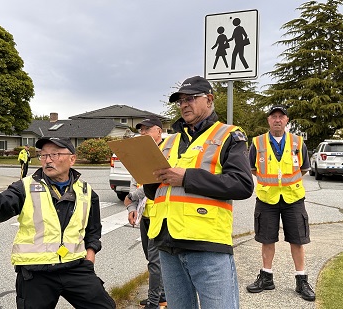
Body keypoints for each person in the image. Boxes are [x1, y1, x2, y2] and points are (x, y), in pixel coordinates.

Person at [0, 137, 116, 309]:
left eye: (55, 154)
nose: (47, 160)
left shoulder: (86, 190)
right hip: (36, 273)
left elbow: (93, 229)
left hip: (75, 268)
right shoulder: (24, 187)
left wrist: (90, 253)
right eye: (43, 155)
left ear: (72, 159)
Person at [143, 76, 253, 309]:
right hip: (167, 242)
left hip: (206, 244)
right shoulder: (168, 141)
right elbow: (155, 193)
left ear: (209, 99)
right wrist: (146, 176)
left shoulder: (228, 135)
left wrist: (187, 178)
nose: (184, 104)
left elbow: (242, 184)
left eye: (191, 98)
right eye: (180, 100)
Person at [246, 105, 316, 302]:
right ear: (268, 120)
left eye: (281, 117)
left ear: (287, 121)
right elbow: (252, 168)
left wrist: (287, 182)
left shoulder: (297, 142)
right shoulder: (257, 143)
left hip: (293, 198)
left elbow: (304, 168)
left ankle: (301, 280)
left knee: (298, 239)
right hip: (267, 198)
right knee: (267, 239)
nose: (277, 120)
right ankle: (266, 277)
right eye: (273, 117)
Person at [124, 117, 166, 309]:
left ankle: (154, 301)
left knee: (156, 262)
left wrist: (132, 196)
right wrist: (132, 208)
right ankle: (163, 294)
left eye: (147, 130)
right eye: (141, 130)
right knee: (151, 259)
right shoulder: (141, 155)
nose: (143, 134)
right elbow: (135, 184)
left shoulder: (168, 152)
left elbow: (155, 183)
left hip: (162, 215)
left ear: (159, 131)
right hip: (145, 215)